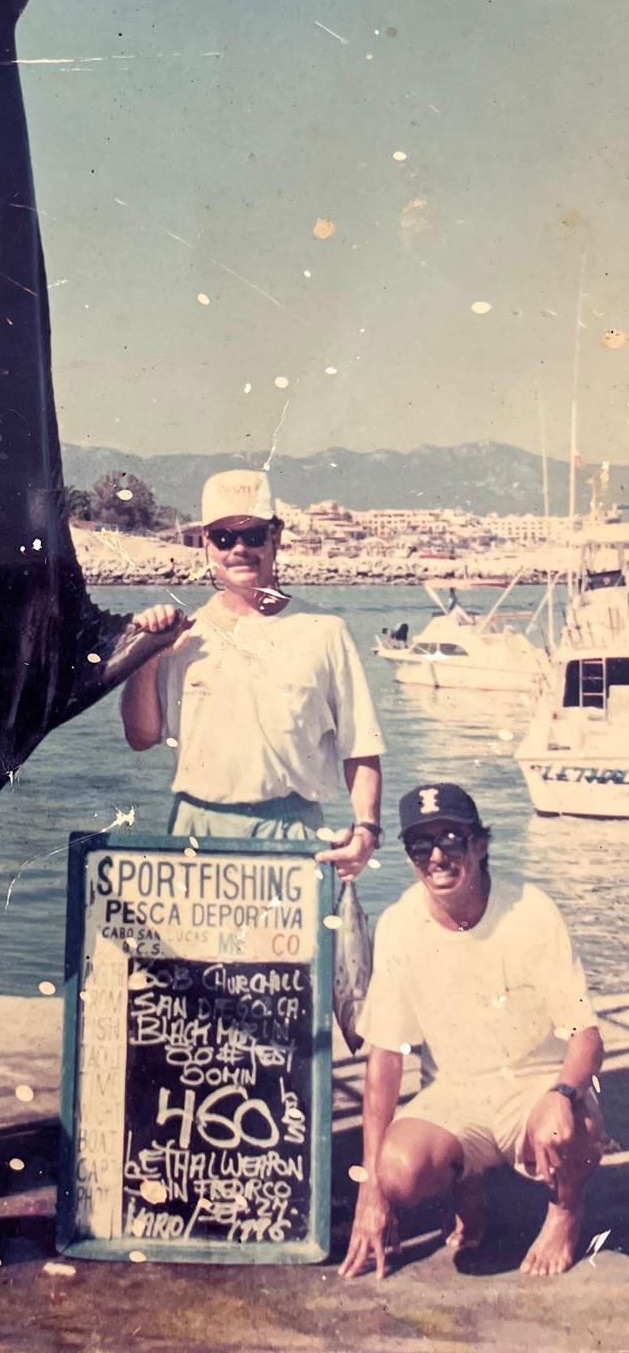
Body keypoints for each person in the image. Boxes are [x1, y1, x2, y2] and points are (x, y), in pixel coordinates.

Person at [341, 782, 605, 1280]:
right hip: (458, 1091)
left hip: (536, 1084)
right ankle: (468, 1183)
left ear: (480, 845)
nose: (437, 856)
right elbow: (386, 1059)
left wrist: (564, 1092)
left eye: (452, 840)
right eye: (421, 845)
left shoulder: (530, 910)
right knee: (395, 1169)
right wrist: (370, 1190)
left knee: (567, 1126)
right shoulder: (399, 925)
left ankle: (565, 1213)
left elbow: (587, 1036)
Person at [121, 469, 383, 880]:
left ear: (276, 537)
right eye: (224, 538)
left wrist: (366, 827)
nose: (238, 549)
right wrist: (146, 653)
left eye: (253, 536)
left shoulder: (326, 631)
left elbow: (361, 747)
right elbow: (140, 738)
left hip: (295, 833)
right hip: (195, 833)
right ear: (207, 545)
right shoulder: (179, 637)